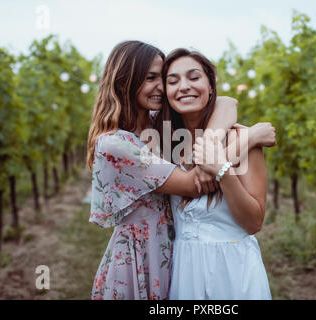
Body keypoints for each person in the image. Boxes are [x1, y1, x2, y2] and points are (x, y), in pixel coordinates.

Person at [86, 41, 272, 300]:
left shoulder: (162, 131)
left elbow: (227, 102)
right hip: (140, 259)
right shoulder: (118, 143)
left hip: (178, 259)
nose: (163, 88)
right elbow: (194, 183)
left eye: (161, 79)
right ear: (124, 82)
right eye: (153, 78)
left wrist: (227, 142)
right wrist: (247, 140)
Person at [157, 48, 275, 300]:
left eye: (194, 77)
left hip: (234, 269)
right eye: (173, 81)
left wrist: (223, 171)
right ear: (165, 92)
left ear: (211, 86)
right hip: (184, 270)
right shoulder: (163, 146)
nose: (184, 87)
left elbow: (254, 223)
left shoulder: (239, 139)